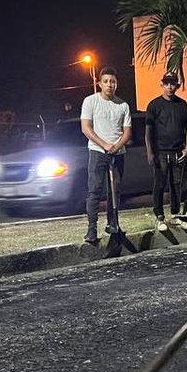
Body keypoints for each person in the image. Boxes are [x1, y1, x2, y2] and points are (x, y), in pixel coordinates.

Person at [80, 68, 132, 246]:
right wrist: (104, 145)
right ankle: (91, 228)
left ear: (117, 83)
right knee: (94, 190)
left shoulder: (122, 105)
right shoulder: (90, 101)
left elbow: (127, 131)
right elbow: (86, 128)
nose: (110, 85)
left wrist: (116, 146)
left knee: (115, 191)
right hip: (97, 152)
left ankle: (113, 223)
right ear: (100, 83)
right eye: (106, 81)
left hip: (118, 153)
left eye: (113, 81)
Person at [145, 72, 187, 233]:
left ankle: (175, 215)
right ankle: (159, 217)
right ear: (162, 84)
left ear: (177, 86)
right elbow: (148, 130)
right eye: (167, 83)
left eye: (172, 84)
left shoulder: (182, 104)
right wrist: (150, 152)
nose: (170, 87)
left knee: (176, 185)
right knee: (159, 184)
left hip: (178, 152)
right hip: (161, 152)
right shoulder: (154, 105)